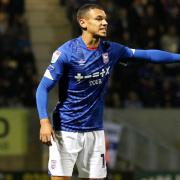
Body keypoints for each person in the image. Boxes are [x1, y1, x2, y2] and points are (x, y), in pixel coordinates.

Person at [36, 3, 180, 180]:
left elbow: (148, 55)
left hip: (95, 131)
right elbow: (42, 88)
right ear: (83, 22)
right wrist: (44, 121)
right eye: (99, 19)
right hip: (65, 130)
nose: (105, 23)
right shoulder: (66, 53)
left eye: (105, 19)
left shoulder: (112, 50)